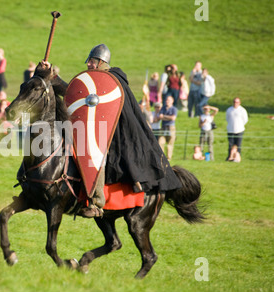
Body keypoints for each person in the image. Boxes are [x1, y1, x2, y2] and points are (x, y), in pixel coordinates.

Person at [43, 44, 182, 218]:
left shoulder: (112, 81)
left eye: (91, 62)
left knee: (96, 156)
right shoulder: (96, 81)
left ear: (101, 62)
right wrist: (50, 76)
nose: (88, 65)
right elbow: (76, 93)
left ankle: (97, 203)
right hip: (97, 131)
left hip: (115, 136)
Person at [158, 95, 178, 161]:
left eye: (169, 100)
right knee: (160, 142)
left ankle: (168, 158)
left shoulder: (174, 109)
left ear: (172, 101)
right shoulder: (163, 108)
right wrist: (168, 117)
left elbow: (173, 118)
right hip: (163, 127)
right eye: (166, 100)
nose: (167, 101)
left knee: (170, 143)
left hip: (171, 127)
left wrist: (164, 117)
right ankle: (161, 157)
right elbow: (160, 117)